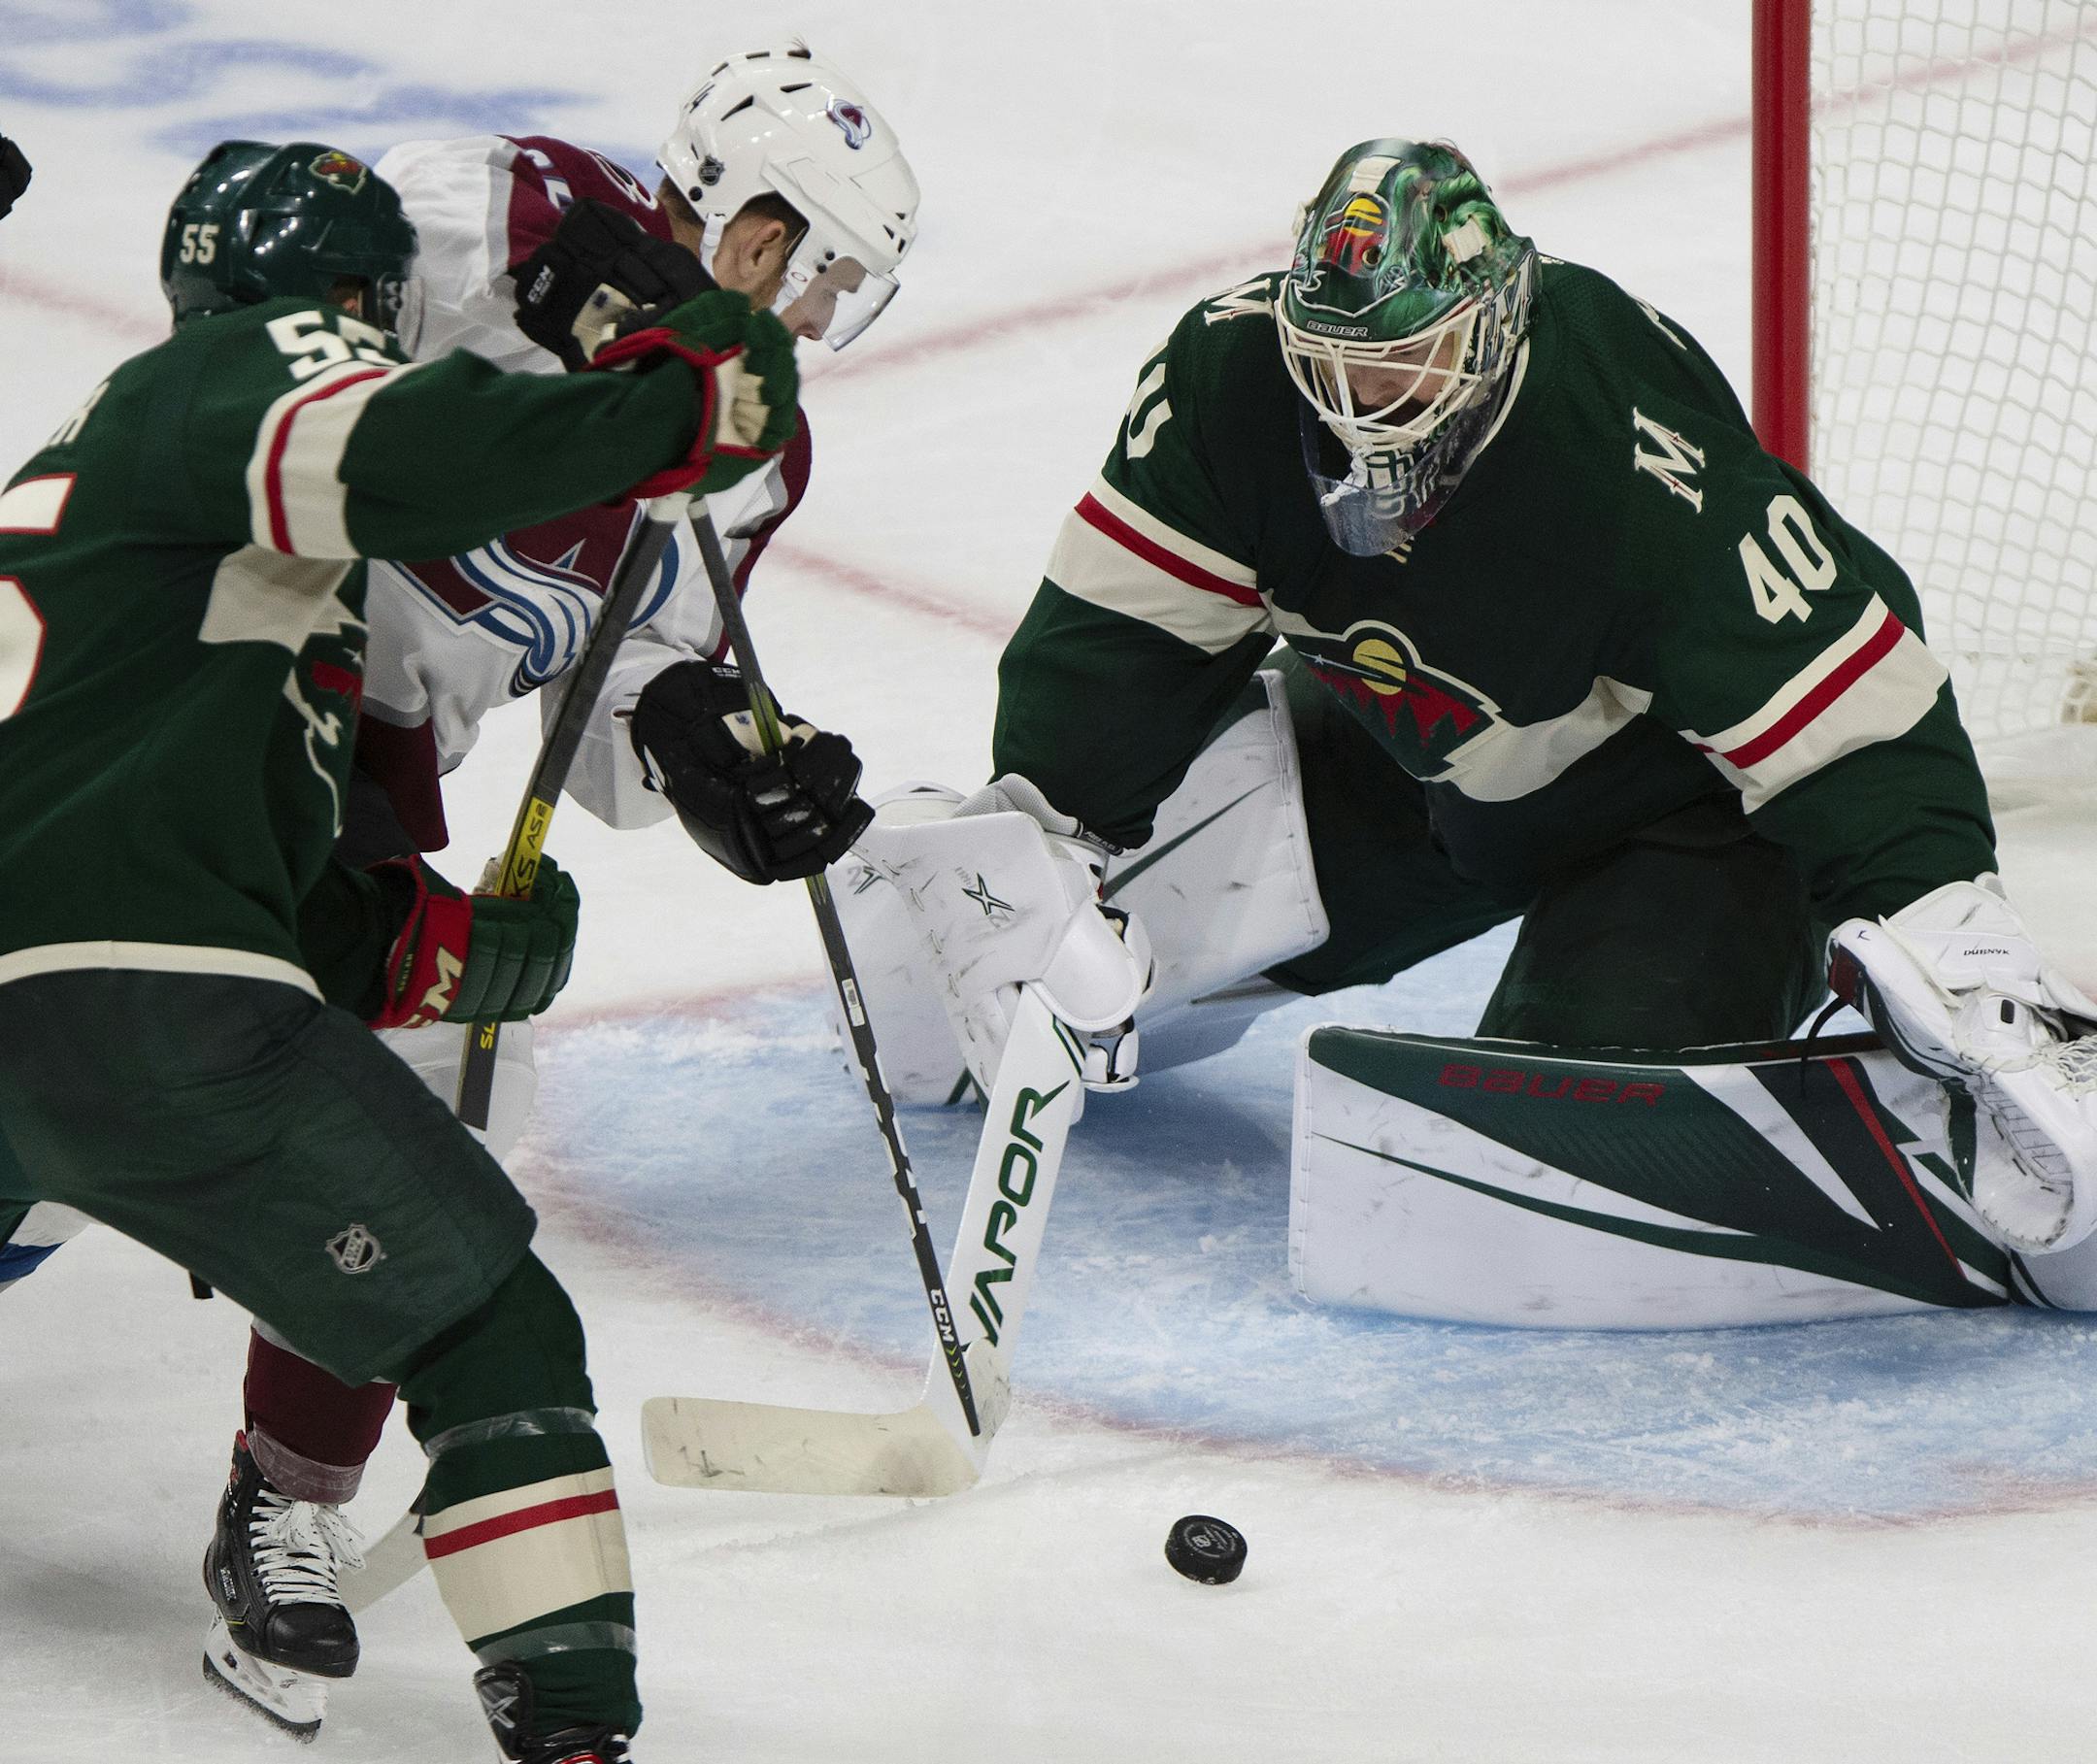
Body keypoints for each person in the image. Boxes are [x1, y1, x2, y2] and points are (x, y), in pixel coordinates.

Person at [833, 138, 2097, 1318]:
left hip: (1669, 810)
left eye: (1402, 361)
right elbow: (1126, 635)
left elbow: (1839, 678)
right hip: (1417, 752)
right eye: (1325, 361)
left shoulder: (1614, 440)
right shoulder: (1231, 385)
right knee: (920, 997)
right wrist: (1048, 830)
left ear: (1493, 330)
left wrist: (1944, 916)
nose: (1356, 402)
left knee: (1524, 1179)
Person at [0, 136, 798, 1763]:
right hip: (141, 1007)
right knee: (488, 1326)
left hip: (86, 979)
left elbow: (230, 851)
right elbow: (414, 446)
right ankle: (575, 1729)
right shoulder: (246, 376)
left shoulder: (150, 525)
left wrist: (442, 944)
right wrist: (674, 403)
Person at [175, 42, 910, 1738]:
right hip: (200, 691)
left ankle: (281, 1496)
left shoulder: (748, 457)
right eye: (816, 267)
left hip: (362, 777)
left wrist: (718, 761)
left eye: (851, 292)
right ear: (743, 214)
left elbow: (624, 690)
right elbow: (243, 348)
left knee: (405, 1112)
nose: (813, 318)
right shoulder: (481, 214)